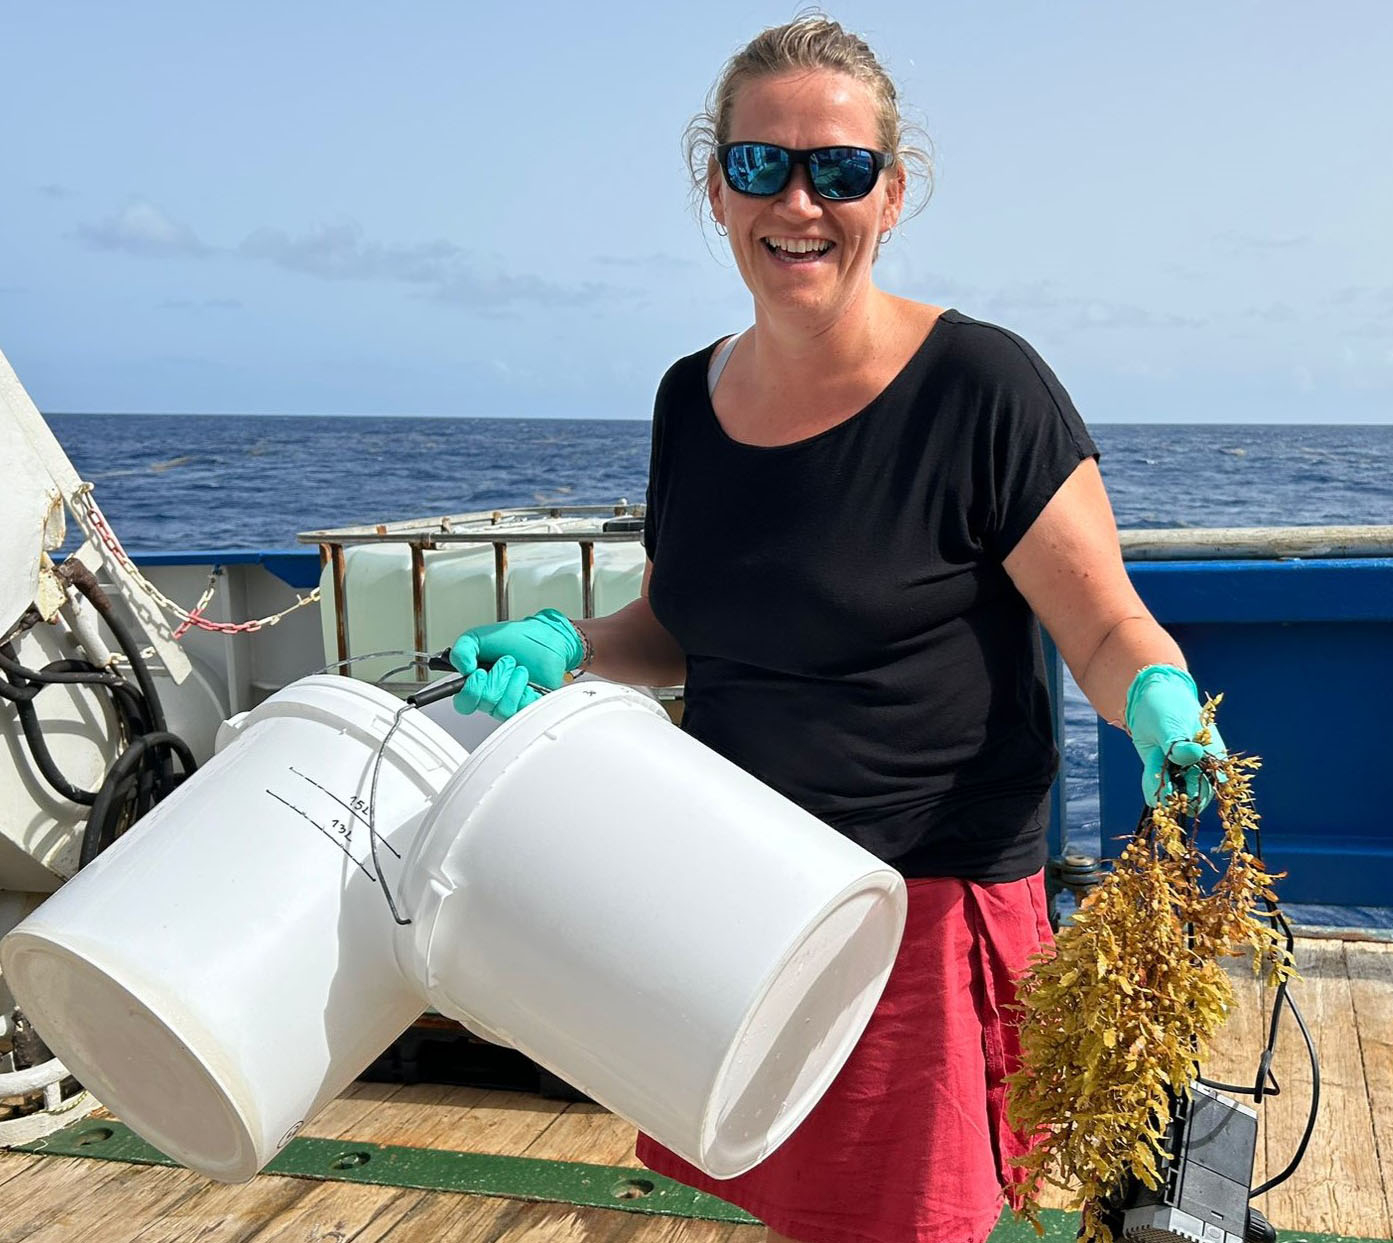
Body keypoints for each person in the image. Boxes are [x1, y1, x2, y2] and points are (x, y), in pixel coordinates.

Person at [446, 15, 1225, 1243]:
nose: (798, 202)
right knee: (771, 1208)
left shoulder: (983, 387)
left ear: (891, 193)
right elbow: (684, 625)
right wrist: (572, 644)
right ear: (716, 189)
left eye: (839, 169)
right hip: (737, 892)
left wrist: (1156, 703)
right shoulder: (686, 397)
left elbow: (1101, 627)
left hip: (914, 912)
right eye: (760, 164)